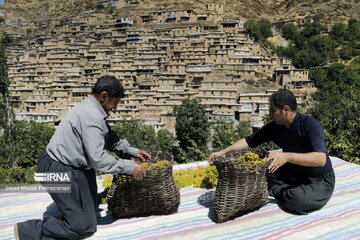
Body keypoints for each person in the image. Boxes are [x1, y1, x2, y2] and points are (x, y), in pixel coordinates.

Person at [14, 75, 150, 239]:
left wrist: (132, 151)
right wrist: (130, 167)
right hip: (56, 170)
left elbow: (108, 136)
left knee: (90, 209)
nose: (115, 107)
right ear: (104, 96)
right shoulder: (91, 115)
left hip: (72, 166)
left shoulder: (93, 108)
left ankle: (70, 208)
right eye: (115, 102)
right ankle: (27, 231)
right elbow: (97, 159)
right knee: (83, 227)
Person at [209, 89, 335, 215]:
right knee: (259, 170)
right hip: (293, 174)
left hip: (318, 179)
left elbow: (320, 159)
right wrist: (222, 152)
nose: (270, 113)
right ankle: (280, 189)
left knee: (297, 201)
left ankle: (277, 190)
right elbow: (249, 141)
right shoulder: (275, 127)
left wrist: (286, 157)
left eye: (273, 110)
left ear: (285, 110)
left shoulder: (310, 125)